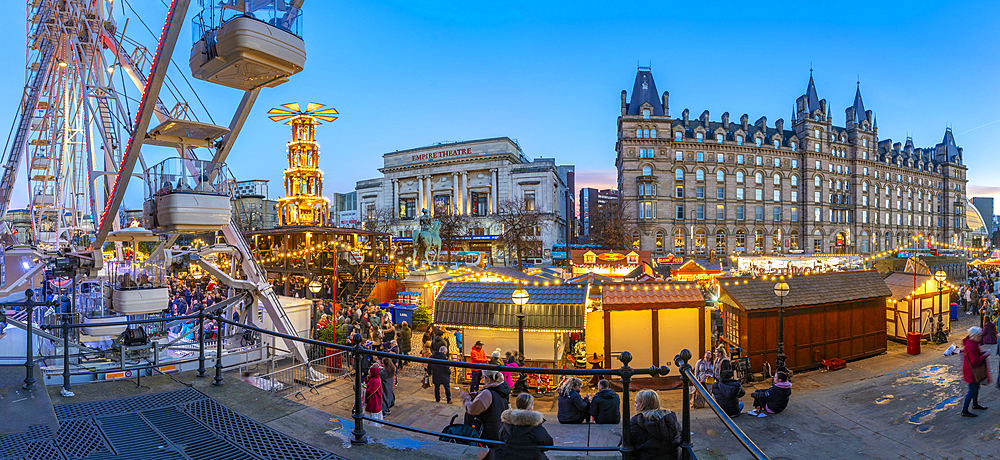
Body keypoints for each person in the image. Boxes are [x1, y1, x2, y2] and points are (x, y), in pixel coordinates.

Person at [495, 393, 554, 460]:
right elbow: (548, 443)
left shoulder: (507, 423)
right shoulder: (534, 426)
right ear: (530, 406)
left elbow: (500, 438)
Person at [629, 389, 681, 460]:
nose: (634, 405)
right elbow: (679, 436)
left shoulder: (637, 421)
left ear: (643, 405)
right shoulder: (670, 418)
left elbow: (628, 444)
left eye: (636, 402)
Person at [462, 370, 511, 442]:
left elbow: (472, 409)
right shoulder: (501, 388)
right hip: (498, 429)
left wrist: (466, 398)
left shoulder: (487, 393)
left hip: (487, 434)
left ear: (487, 379)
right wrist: (477, 395)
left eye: (483, 377)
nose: (482, 379)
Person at [961, 326, 990, 417]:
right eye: (978, 336)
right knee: (973, 389)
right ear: (973, 336)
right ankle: (965, 410)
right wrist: (985, 355)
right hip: (972, 372)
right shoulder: (971, 345)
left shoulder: (970, 342)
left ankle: (975, 404)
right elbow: (975, 361)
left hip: (970, 370)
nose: (980, 338)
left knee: (976, 387)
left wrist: (982, 353)